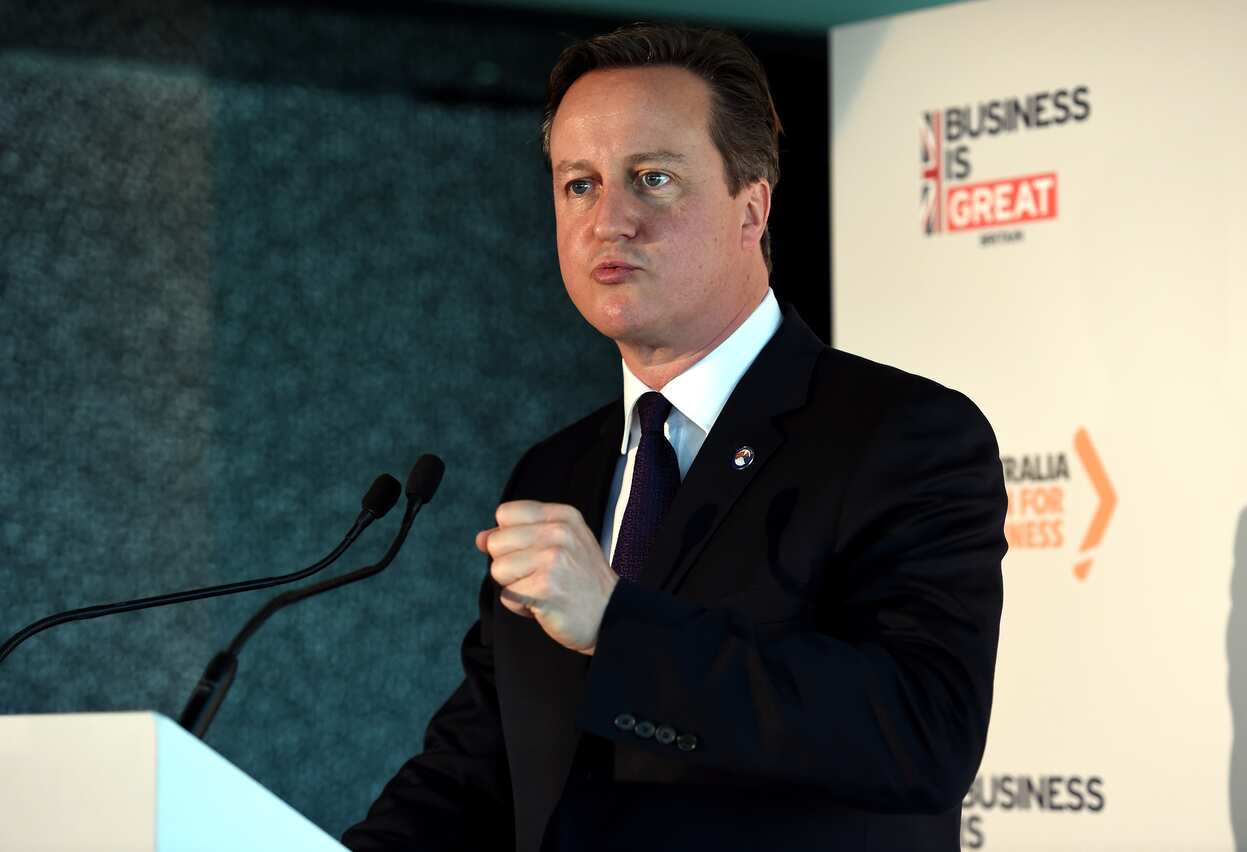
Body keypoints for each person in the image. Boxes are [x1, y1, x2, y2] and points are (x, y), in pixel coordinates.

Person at [343, 23, 1005, 852]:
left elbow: (922, 733)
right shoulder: (556, 469)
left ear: (751, 206)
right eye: (577, 185)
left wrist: (617, 626)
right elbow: (485, 762)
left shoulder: (902, 434)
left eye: (652, 180)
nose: (608, 221)